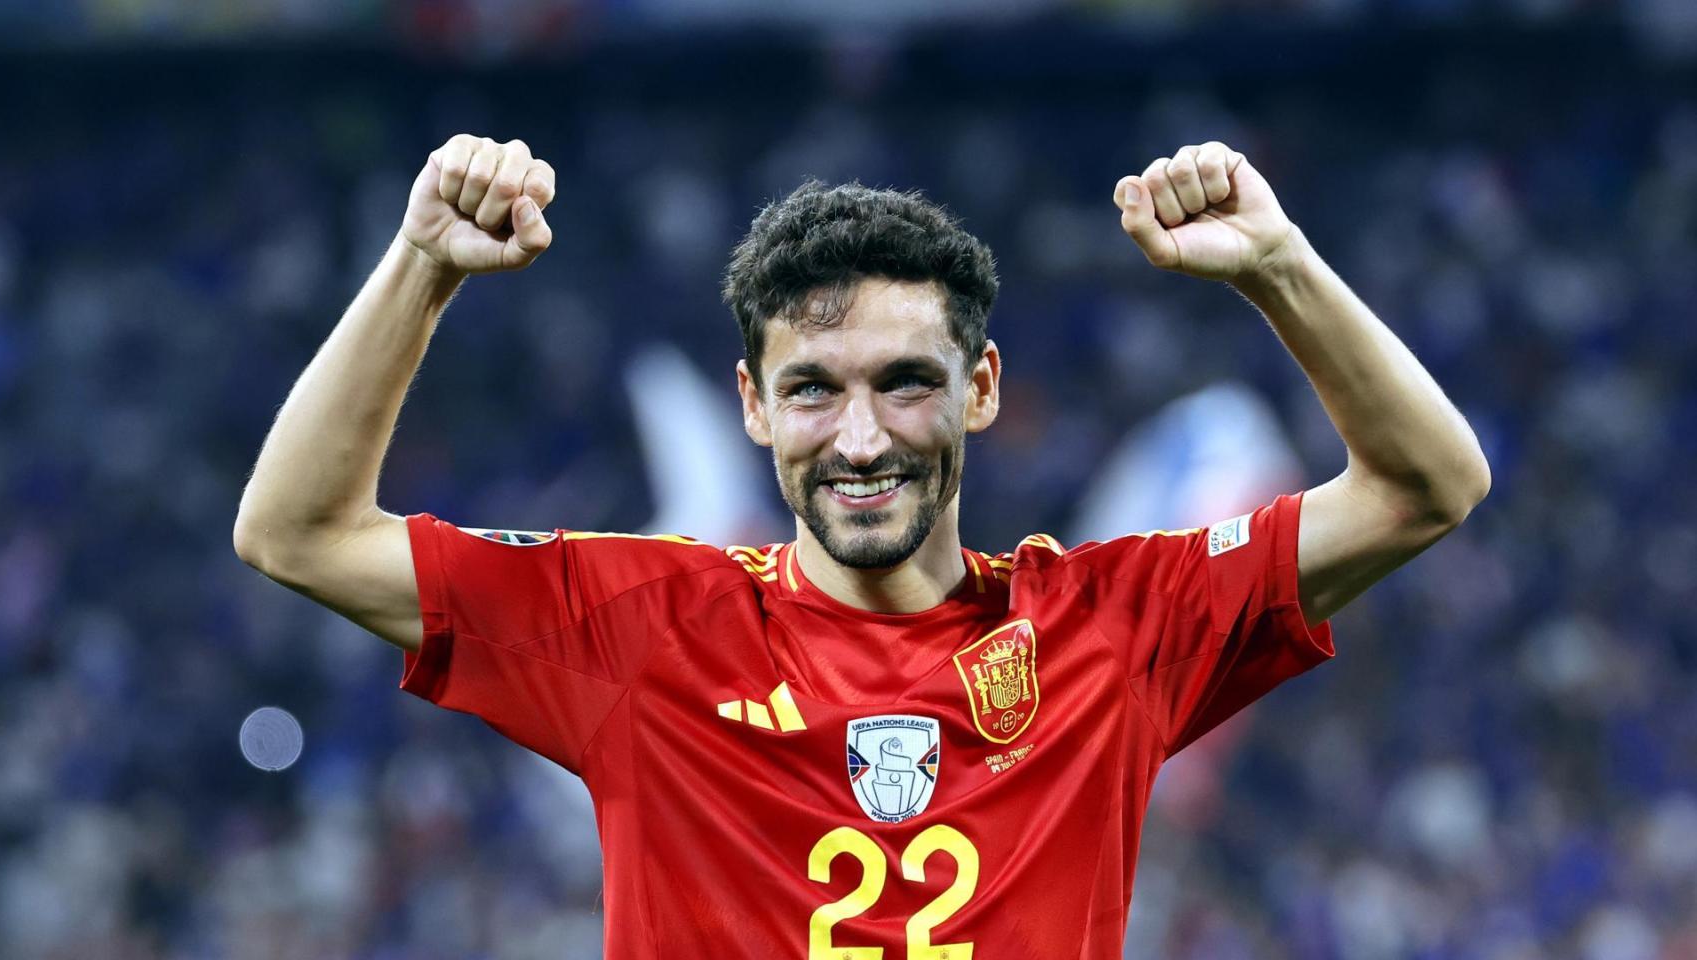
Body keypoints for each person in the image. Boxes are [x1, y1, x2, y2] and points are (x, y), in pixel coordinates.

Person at [233, 134, 1489, 957]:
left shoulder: (1112, 626)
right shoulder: (639, 624)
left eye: (905, 383)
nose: (860, 438)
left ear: (982, 388)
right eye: (811, 390)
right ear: (751, 405)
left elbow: (1425, 485)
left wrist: (1277, 266)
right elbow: (296, 531)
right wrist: (417, 268)